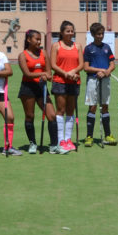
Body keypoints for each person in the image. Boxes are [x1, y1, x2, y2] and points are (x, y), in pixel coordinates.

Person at [18, 29, 63, 154]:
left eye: (40, 39)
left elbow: (49, 73)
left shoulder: (43, 53)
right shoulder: (23, 55)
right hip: (28, 88)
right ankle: (32, 143)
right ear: (28, 40)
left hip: (41, 87)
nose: (39, 41)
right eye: (36, 39)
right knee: (30, 116)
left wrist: (47, 76)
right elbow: (27, 73)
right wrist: (43, 74)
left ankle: (54, 146)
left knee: (52, 115)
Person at [49, 20, 81, 152]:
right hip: (59, 81)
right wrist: (65, 74)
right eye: (67, 31)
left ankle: (68, 139)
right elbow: (53, 65)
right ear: (61, 33)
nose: (70, 33)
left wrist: (73, 72)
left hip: (74, 82)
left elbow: (81, 64)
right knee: (60, 110)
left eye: (72, 31)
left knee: (70, 111)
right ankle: (60, 140)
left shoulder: (78, 46)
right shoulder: (56, 46)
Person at [83, 22, 116, 146]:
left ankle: (108, 135)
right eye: (98, 34)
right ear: (92, 34)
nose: (100, 36)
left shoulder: (107, 47)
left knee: (105, 106)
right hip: (93, 80)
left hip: (105, 79)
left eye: (102, 34)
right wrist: (100, 71)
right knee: (92, 107)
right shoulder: (88, 49)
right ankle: (89, 136)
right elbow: (86, 67)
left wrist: (107, 71)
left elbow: (112, 64)